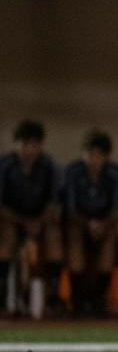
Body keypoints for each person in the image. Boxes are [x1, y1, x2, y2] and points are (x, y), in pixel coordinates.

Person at [0, 121, 62, 316]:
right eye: (24, 144)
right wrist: (22, 222)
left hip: (39, 220)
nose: (29, 149)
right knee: (7, 236)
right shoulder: (5, 166)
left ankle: (51, 296)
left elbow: (53, 203)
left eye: (34, 144)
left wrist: (37, 222)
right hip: (12, 219)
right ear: (16, 144)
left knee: (54, 235)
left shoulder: (48, 166)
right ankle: (4, 296)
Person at [62, 130, 118, 317]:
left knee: (111, 238)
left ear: (106, 157)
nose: (93, 159)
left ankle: (99, 299)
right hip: (79, 223)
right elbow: (70, 208)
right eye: (90, 154)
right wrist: (89, 224)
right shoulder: (73, 172)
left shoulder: (115, 175)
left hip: (105, 224)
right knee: (74, 237)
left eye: (98, 155)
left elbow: (116, 209)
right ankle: (77, 299)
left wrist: (101, 224)